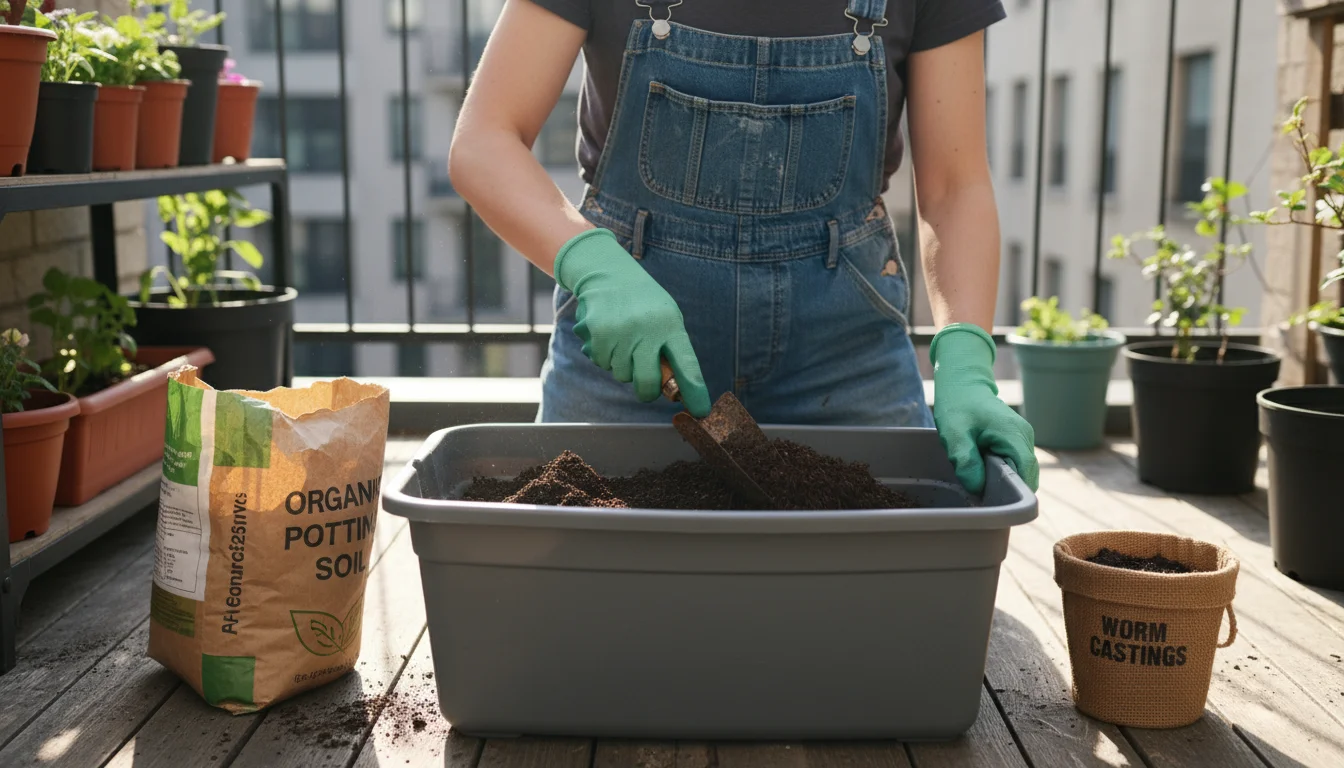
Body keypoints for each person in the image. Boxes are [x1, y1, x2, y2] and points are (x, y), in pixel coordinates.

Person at [449, 0, 1039, 495]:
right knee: (578, 593)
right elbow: (485, 138)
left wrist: (965, 358)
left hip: (843, 357)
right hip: (630, 360)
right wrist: (595, 265)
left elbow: (955, 187)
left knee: (884, 595)